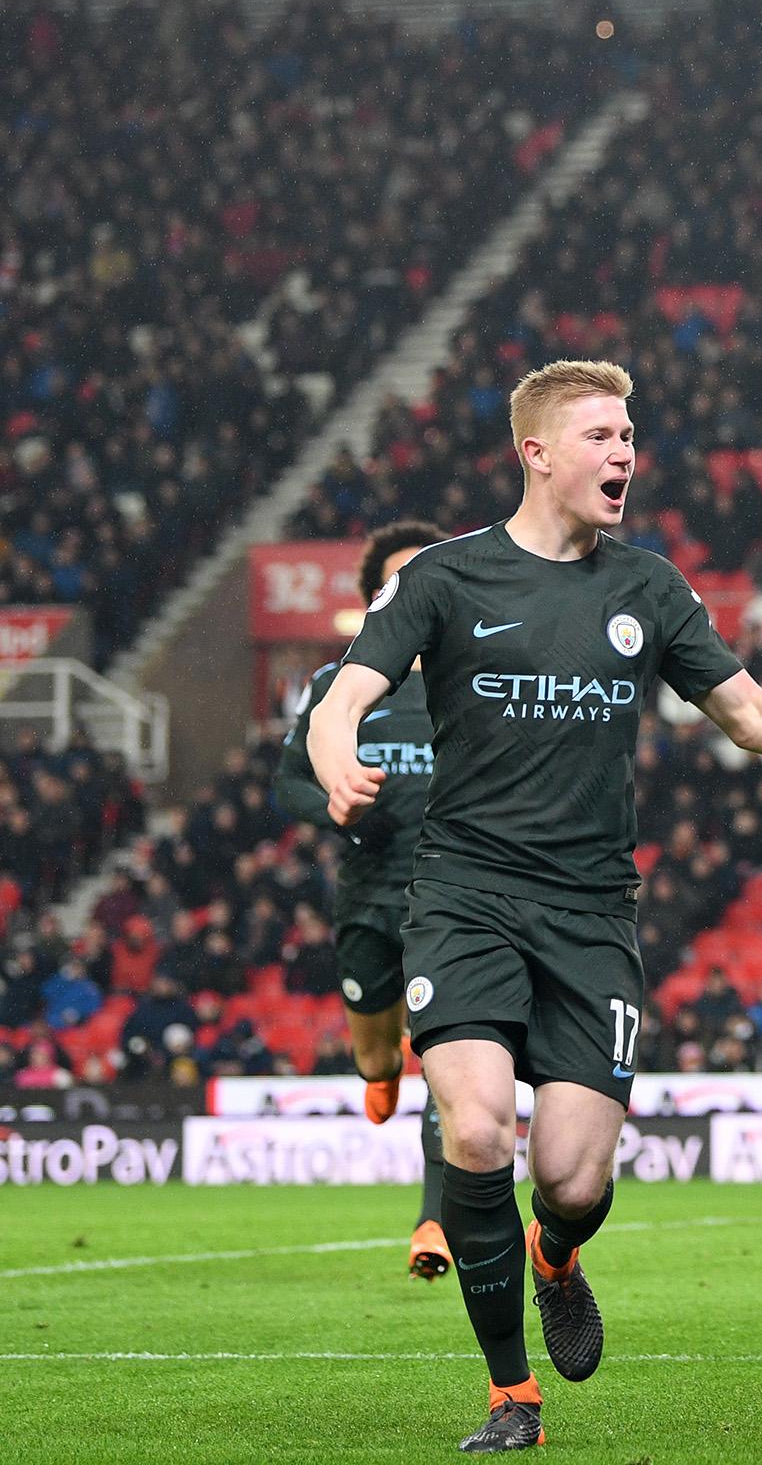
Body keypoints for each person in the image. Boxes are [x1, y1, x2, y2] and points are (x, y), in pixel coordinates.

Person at [306, 359, 762, 1454]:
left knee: (575, 1177)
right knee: (475, 1126)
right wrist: (334, 761)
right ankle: (511, 1396)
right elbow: (345, 694)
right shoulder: (447, 580)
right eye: (601, 435)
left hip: (591, 914)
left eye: (630, 435)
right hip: (463, 899)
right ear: (537, 454)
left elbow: (746, 714)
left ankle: (557, 1253)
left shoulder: (646, 587)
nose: (625, 453)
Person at [276, 519, 453, 1281]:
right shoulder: (336, 685)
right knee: (379, 1051)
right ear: (376, 596)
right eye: (397, 578)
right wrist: (335, 807)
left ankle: (435, 1223)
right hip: (368, 897)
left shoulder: (474, 676)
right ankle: (377, 1072)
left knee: (451, 1063)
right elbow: (287, 782)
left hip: (453, 900)